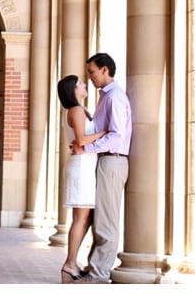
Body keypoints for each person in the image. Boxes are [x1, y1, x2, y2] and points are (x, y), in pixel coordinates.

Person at [71, 52, 132, 284]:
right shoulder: (104, 97)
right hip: (104, 159)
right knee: (100, 220)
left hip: (112, 160)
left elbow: (116, 136)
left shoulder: (114, 96)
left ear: (105, 70)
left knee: (106, 221)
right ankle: (94, 267)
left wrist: (86, 149)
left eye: (92, 71)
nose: (89, 76)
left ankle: (99, 274)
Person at [57, 74, 106, 283]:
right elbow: (81, 140)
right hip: (81, 168)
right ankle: (69, 263)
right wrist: (105, 132)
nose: (84, 84)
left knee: (86, 218)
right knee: (80, 219)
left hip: (85, 165)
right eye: (80, 83)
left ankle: (73, 262)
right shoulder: (76, 110)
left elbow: (80, 142)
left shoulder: (79, 110)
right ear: (73, 90)